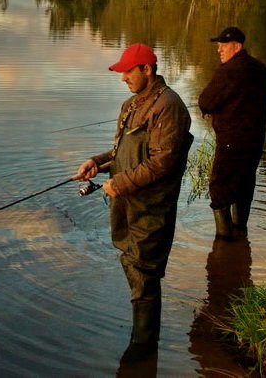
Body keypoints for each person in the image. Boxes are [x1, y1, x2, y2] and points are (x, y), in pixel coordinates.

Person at [73, 43, 193, 356]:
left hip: (152, 206)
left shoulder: (169, 106)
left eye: (128, 70)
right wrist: (96, 164)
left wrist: (121, 182)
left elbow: (162, 161)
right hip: (127, 202)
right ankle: (142, 345)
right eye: (121, 71)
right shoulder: (131, 105)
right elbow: (120, 153)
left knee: (145, 272)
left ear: (147, 70)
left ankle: (143, 347)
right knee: (131, 263)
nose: (123, 77)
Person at [198, 26, 266, 239]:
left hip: (232, 140)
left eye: (223, 45)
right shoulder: (261, 69)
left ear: (237, 46)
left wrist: (208, 108)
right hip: (255, 139)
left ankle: (224, 240)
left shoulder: (229, 70)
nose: (219, 49)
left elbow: (206, 101)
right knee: (245, 182)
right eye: (218, 45)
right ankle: (241, 232)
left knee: (219, 186)